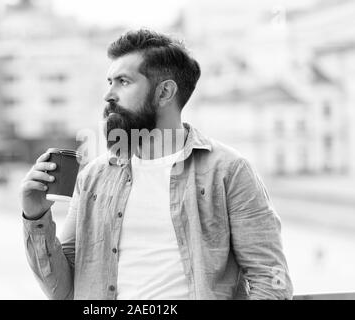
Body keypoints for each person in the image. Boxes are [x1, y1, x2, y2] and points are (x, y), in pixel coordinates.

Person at [20, 29, 293, 300]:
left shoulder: (229, 172)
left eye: (123, 82)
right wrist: (34, 215)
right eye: (109, 82)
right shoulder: (92, 177)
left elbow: (271, 281)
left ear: (164, 93)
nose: (108, 95)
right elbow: (65, 290)